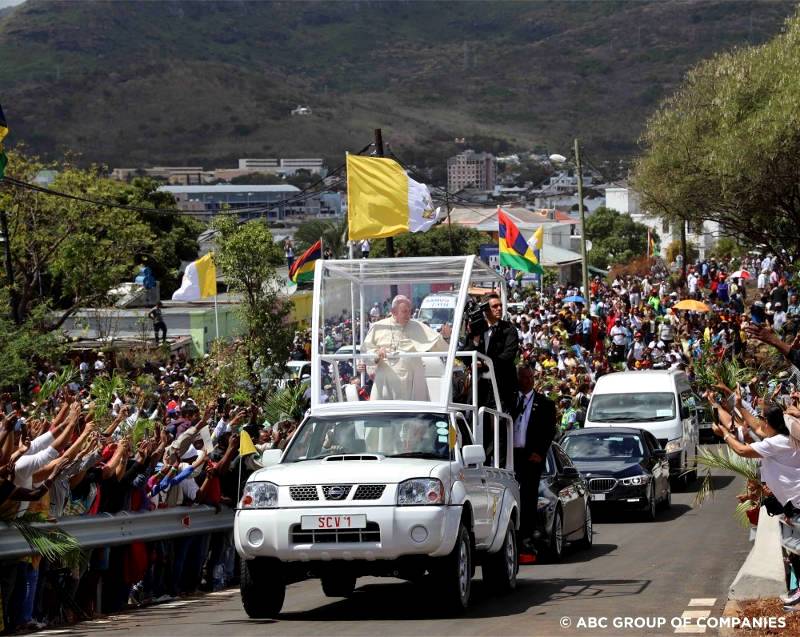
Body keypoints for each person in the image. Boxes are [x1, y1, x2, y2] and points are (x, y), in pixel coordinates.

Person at [362, 295, 450, 401]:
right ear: (393, 311)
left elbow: (440, 347)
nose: (408, 314)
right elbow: (366, 352)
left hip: (412, 382)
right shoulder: (378, 327)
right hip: (386, 384)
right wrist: (377, 353)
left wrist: (446, 337)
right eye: (404, 311)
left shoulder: (418, 326)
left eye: (409, 311)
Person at [512, 365, 557, 563]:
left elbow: (549, 431)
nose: (527, 380)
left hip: (531, 457)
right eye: (523, 377)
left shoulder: (545, 404)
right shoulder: (510, 400)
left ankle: (526, 537)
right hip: (511, 456)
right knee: (512, 496)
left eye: (530, 376)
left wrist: (540, 452)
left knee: (528, 497)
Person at [464, 293, 520, 414]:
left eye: (500, 305)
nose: (499, 308)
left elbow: (507, 357)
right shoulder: (477, 329)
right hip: (479, 388)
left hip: (502, 388)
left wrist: (484, 364)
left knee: (500, 426)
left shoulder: (509, 329)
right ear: (485, 309)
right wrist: (476, 339)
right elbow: (466, 356)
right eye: (495, 306)